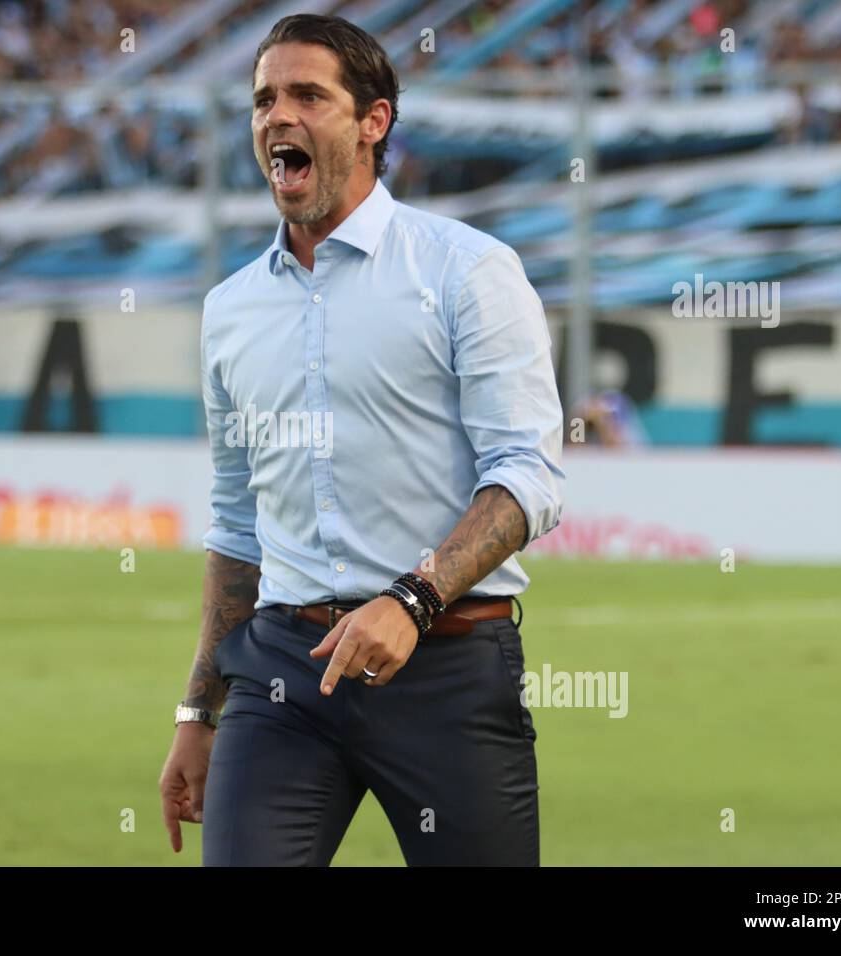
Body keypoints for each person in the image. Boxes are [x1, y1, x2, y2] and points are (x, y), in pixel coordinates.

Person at [158, 14, 565, 866]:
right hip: (282, 674)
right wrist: (199, 714)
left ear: (373, 121)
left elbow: (529, 475)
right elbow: (238, 523)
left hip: (447, 666)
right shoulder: (229, 309)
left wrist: (411, 600)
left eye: (309, 95)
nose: (278, 116)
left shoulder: (467, 271)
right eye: (265, 98)